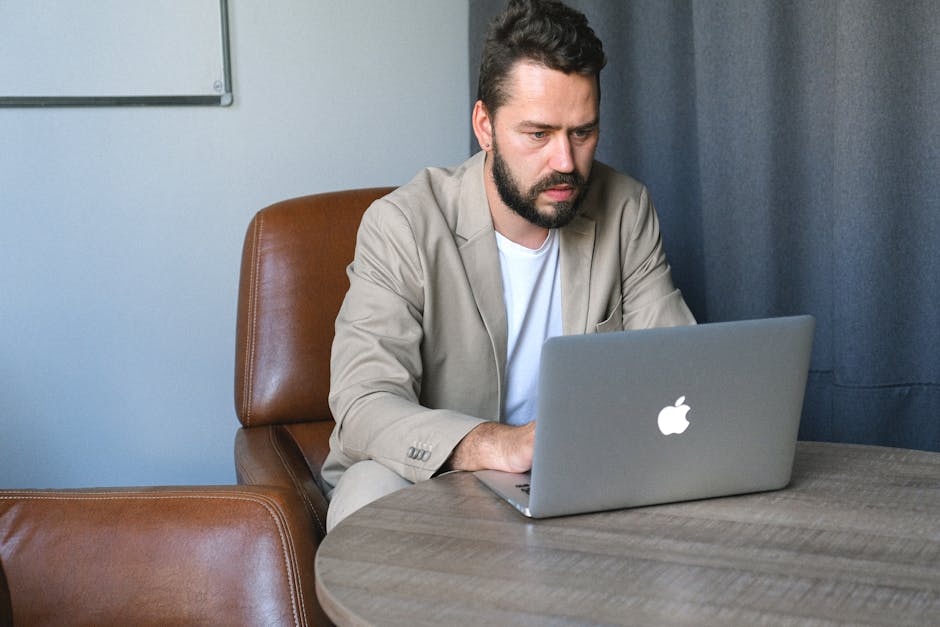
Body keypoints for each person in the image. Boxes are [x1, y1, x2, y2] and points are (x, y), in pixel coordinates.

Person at [321, 0, 695, 531]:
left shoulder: (625, 207)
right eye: (538, 134)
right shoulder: (402, 224)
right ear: (485, 125)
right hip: (433, 475)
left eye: (582, 133)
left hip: (579, 472)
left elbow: (679, 366)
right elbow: (364, 404)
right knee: (366, 494)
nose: (565, 162)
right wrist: (495, 444)